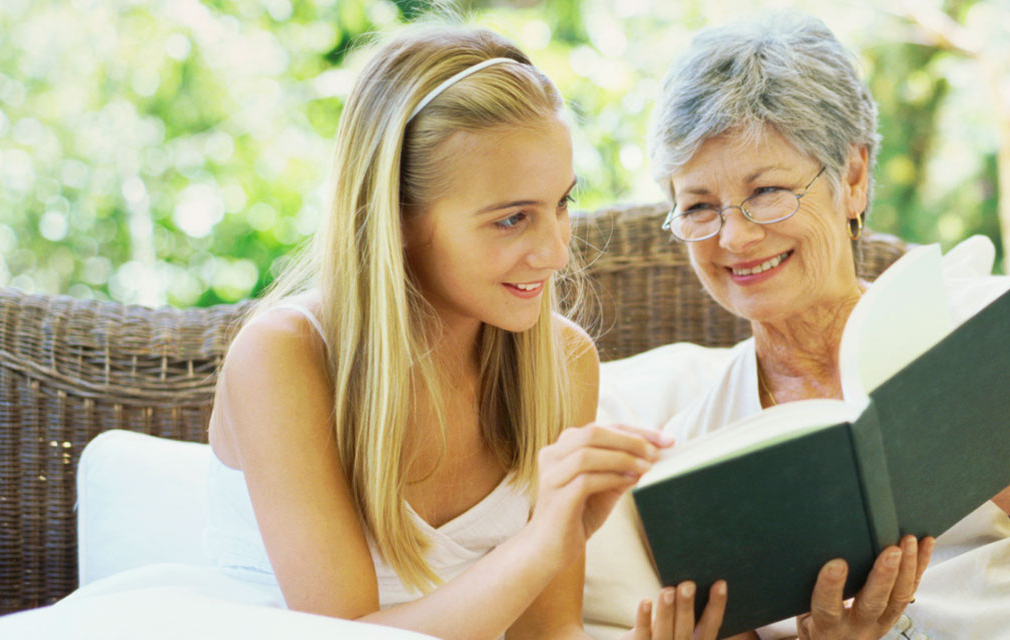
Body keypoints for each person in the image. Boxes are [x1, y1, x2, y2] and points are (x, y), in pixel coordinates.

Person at [653, 12, 1010, 639]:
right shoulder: (698, 455)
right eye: (699, 207)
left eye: (766, 192)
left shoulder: (980, 321)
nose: (734, 236)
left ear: (852, 177)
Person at [204, 24, 726, 639]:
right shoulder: (285, 357)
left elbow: (547, 632)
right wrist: (541, 542)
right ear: (393, 217)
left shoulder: (560, 362)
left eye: (562, 203)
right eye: (511, 220)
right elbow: (345, 633)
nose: (556, 252)